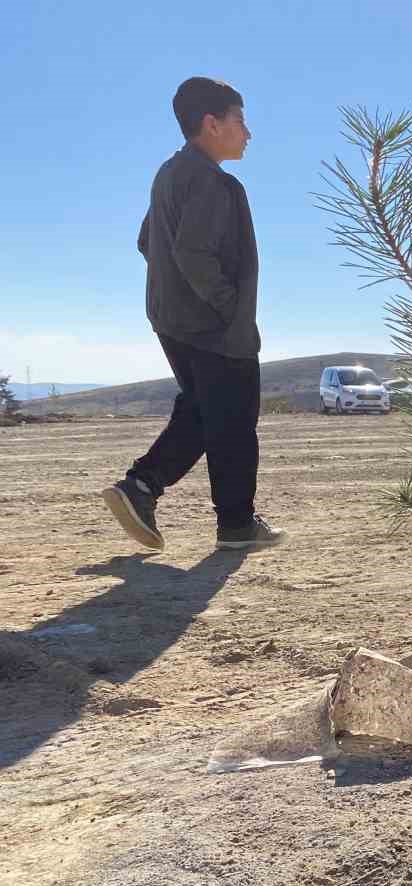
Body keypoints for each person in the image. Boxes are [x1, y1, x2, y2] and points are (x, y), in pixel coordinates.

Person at [101, 77, 284, 553]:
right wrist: (230, 307)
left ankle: (141, 488)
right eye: (240, 121)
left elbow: (148, 241)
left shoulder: (170, 173)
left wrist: (175, 292)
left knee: (205, 412)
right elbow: (194, 252)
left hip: (173, 319)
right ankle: (237, 525)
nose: (248, 133)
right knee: (235, 418)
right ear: (211, 123)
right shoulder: (211, 180)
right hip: (214, 325)